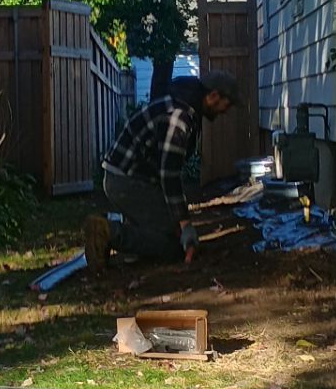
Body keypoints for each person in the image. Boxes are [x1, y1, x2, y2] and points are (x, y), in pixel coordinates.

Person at [82, 71, 240, 272]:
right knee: (173, 246)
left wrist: (177, 222)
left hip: (132, 177)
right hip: (126, 182)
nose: (225, 111)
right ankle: (108, 233)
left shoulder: (181, 106)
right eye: (227, 104)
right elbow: (169, 174)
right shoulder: (178, 118)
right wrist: (184, 223)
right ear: (214, 96)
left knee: (170, 231)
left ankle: (132, 245)